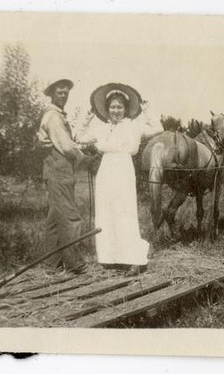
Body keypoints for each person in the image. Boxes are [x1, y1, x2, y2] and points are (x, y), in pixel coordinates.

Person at [77, 83, 163, 276]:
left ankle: (134, 260)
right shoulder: (100, 129)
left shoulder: (133, 126)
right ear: (107, 109)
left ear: (125, 109)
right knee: (107, 212)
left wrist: (147, 111)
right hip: (106, 171)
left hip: (123, 170)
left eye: (119, 107)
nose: (116, 111)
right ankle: (110, 258)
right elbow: (79, 137)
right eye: (112, 107)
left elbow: (158, 128)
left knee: (125, 213)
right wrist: (87, 118)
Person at [38, 78, 95, 275]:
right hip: (59, 171)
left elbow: (64, 143)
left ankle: (51, 264)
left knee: (55, 218)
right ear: (52, 93)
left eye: (66, 92)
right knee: (70, 217)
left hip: (57, 170)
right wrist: (85, 159)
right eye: (60, 92)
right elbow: (66, 146)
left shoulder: (57, 115)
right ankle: (75, 264)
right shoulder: (54, 117)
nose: (63, 95)